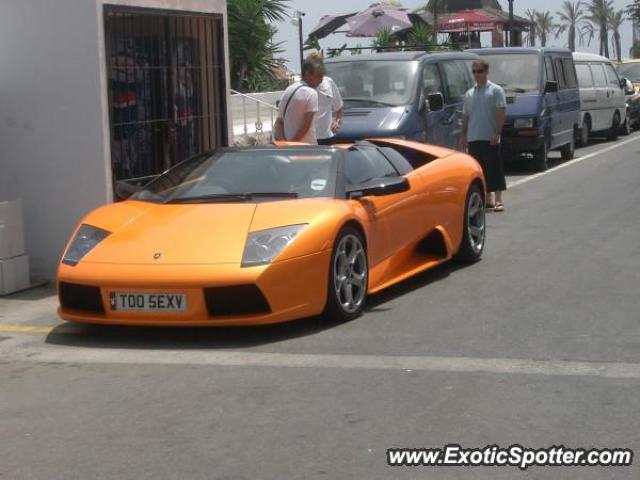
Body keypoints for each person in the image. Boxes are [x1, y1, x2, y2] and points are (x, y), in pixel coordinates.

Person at [461, 59, 507, 212]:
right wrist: (463, 135)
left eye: (479, 71)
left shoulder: (495, 90)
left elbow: (501, 112)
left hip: (490, 136)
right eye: (474, 72)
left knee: (494, 168)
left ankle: (498, 200)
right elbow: (466, 116)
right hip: (474, 137)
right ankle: (488, 199)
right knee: (479, 170)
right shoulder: (469, 94)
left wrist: (497, 132)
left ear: (486, 72)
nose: (477, 75)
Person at [274, 58, 324, 144]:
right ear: (308, 74)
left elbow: (279, 122)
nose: (321, 81)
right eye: (318, 77)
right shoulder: (311, 93)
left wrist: (285, 145)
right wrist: (293, 145)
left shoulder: (288, 90)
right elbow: (305, 126)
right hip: (305, 148)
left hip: (287, 148)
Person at [305, 52, 344, 145]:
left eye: (319, 63)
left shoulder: (329, 83)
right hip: (308, 138)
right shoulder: (302, 86)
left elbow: (339, 108)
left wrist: (337, 122)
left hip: (327, 137)